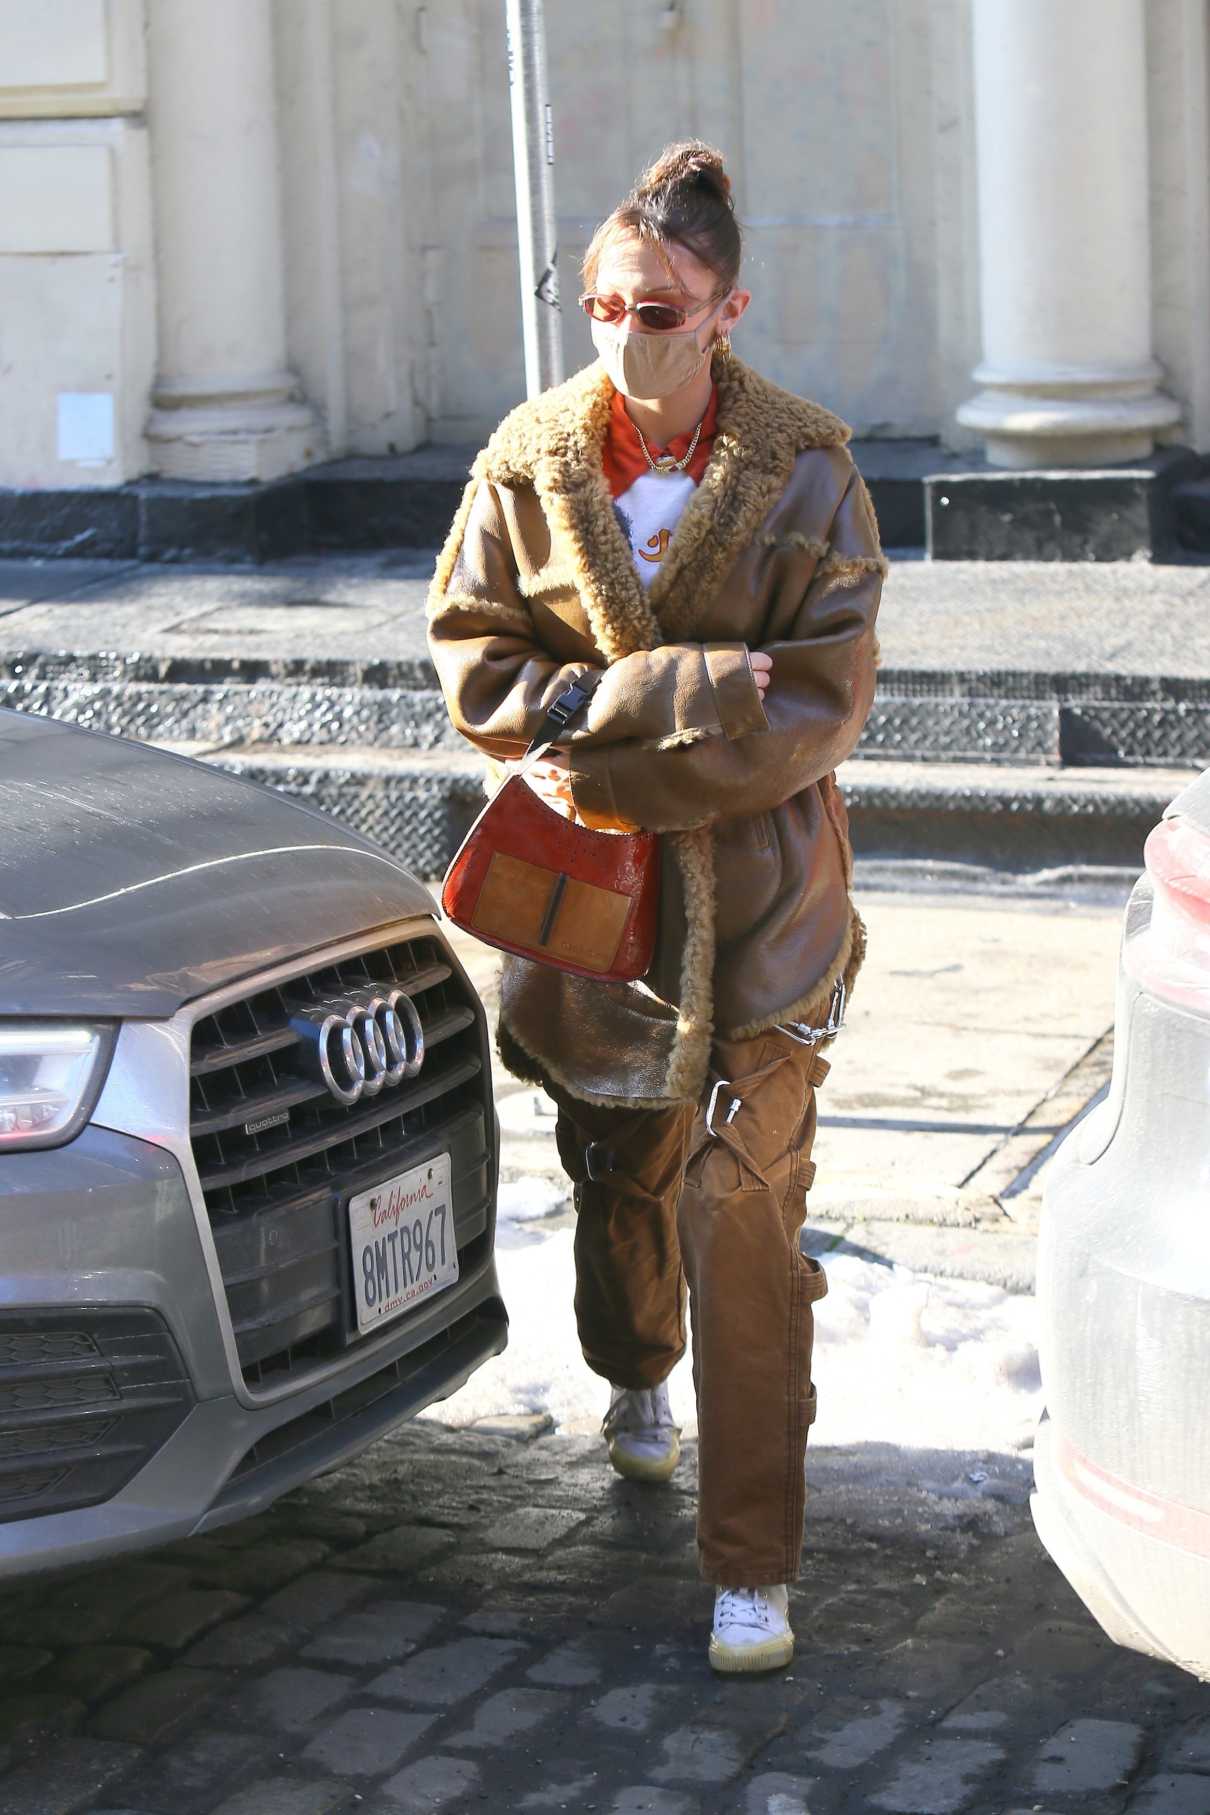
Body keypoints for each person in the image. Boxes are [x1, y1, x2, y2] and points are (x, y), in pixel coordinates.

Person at [427, 141, 883, 1674]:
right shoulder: (525, 459)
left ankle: (751, 1564)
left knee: (741, 1220)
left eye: (663, 307)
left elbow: (815, 708)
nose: (629, 332)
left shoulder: (807, 465)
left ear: (726, 310)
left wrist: (611, 751)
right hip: (591, 918)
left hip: (766, 914)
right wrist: (685, 691)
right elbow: (480, 672)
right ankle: (634, 1372)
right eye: (606, 302)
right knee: (617, 1178)